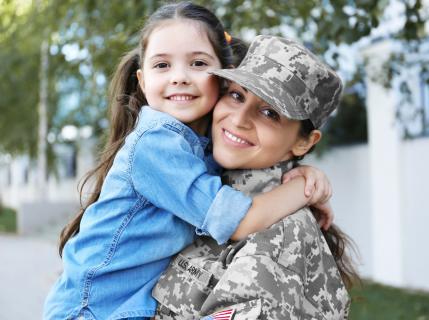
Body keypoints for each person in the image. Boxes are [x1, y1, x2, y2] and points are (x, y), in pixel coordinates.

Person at [44, 3, 334, 320]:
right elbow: (237, 221)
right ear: (142, 81)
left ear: (221, 78)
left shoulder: (200, 146)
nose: (180, 77)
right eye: (162, 66)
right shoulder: (156, 144)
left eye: (197, 63)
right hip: (95, 310)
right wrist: (305, 189)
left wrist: (300, 170)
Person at [152, 35, 359, 320]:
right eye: (236, 95)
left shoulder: (278, 234)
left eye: (269, 113)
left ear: (304, 143)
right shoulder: (195, 177)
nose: (238, 119)